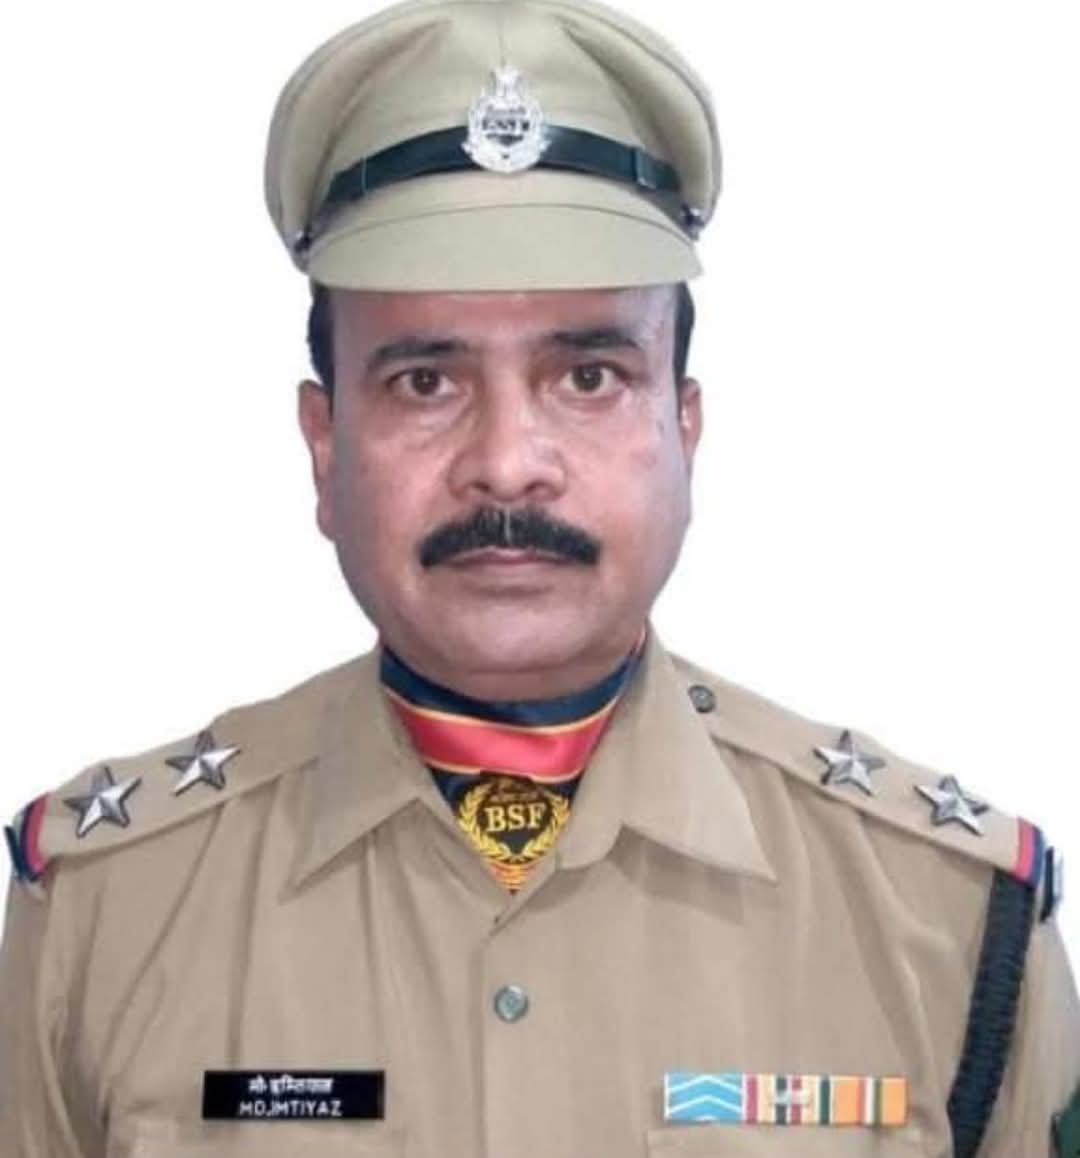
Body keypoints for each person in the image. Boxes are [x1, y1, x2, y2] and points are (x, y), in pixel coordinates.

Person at [1, 0, 1077, 1155]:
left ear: (684, 429)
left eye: (590, 376)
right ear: (324, 447)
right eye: (425, 382)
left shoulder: (949, 922)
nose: (508, 462)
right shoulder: (106, 913)